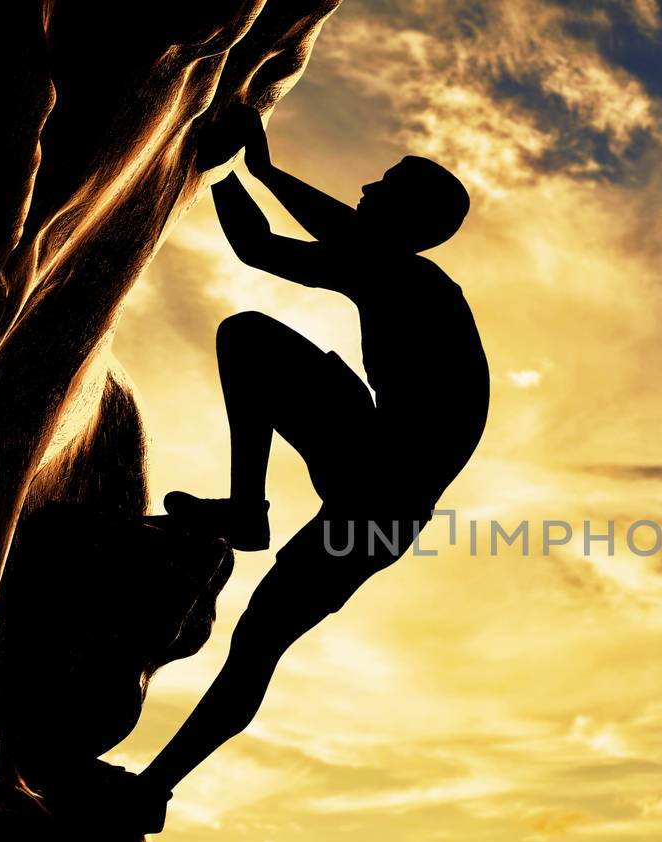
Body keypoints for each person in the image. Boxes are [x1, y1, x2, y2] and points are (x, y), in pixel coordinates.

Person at [142, 106, 490, 794]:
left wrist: (211, 164)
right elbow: (335, 227)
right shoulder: (400, 271)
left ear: (407, 216)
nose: (365, 189)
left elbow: (258, 244)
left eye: (383, 185)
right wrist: (260, 168)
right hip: (377, 483)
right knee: (260, 645)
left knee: (258, 645)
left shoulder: (408, 280)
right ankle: (246, 510)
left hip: (377, 498)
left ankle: (151, 788)